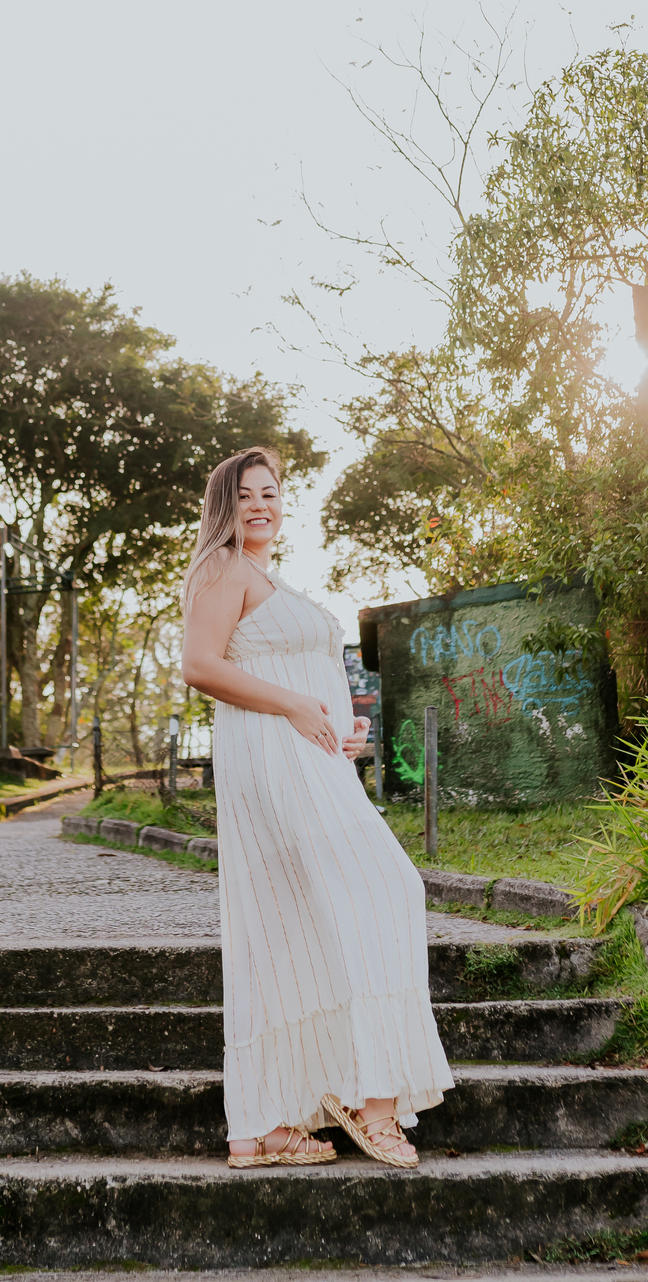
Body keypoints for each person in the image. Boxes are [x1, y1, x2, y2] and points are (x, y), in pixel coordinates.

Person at [181, 444, 453, 1170]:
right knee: (387, 887)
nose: (260, 505)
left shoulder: (270, 577)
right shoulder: (223, 568)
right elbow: (200, 664)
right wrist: (299, 706)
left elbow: (293, 670)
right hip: (272, 757)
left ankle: (262, 1127)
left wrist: (340, 725)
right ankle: (373, 1103)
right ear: (224, 506)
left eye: (270, 493)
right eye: (245, 495)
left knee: (291, 923)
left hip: (309, 757)